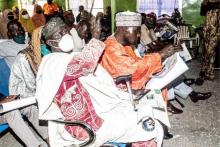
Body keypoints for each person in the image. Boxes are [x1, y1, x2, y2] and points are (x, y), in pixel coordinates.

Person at [36, 16, 164, 147]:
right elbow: (85, 64)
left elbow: (94, 83)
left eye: (66, 31)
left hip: (96, 112)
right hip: (84, 125)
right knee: (144, 125)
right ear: (51, 43)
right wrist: (95, 37)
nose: (65, 35)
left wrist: (120, 91)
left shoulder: (66, 58)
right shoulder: (52, 63)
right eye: (60, 34)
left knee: (144, 108)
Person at [0, 20, 48, 147]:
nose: (18, 32)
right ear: (9, 33)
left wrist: (3, 98)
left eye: (19, 28)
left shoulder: (31, 41)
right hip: (18, 92)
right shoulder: (5, 47)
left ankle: (51, 139)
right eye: (14, 31)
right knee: (12, 111)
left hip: (35, 80)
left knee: (30, 107)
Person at [197, 0, 220, 82]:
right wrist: (205, 3)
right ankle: (206, 71)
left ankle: (207, 72)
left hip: (216, 30)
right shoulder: (206, 2)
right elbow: (202, 13)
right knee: (206, 50)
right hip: (207, 28)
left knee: (210, 51)